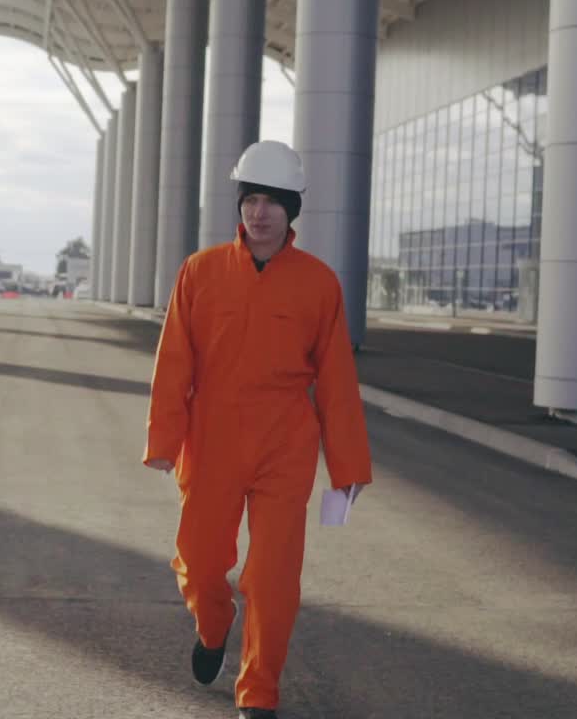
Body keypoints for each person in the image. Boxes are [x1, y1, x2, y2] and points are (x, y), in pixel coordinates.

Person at [143, 140, 373, 719]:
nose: (259, 212)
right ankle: (214, 623)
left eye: (272, 201)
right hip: (212, 438)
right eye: (251, 199)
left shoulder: (318, 284)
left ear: (291, 209)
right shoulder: (201, 271)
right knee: (197, 561)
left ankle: (258, 693)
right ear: (239, 204)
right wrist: (164, 441)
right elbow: (174, 361)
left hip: (284, 444)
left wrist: (347, 468)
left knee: (272, 579)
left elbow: (338, 382)